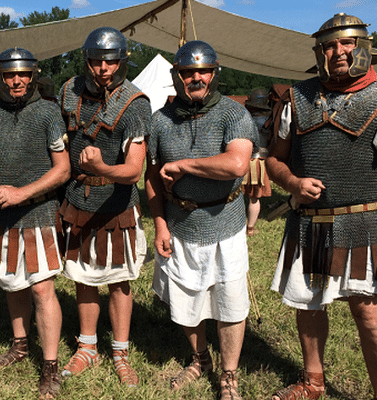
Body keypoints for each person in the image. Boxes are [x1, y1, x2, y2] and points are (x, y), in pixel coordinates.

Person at [267, 13, 377, 400]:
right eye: (329, 45)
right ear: (319, 52)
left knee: (370, 317)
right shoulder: (296, 99)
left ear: (363, 47)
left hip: (368, 226)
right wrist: (293, 182)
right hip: (311, 223)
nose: (338, 52)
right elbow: (273, 160)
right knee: (309, 305)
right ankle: (312, 382)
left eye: (347, 43)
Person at [145, 40, 256, 400]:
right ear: (177, 76)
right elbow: (150, 178)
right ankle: (200, 359)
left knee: (230, 302)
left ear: (214, 74)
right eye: (188, 72)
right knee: (186, 299)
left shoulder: (232, 114)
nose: (196, 78)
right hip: (179, 224)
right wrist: (160, 223)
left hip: (225, 222)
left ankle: (229, 375)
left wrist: (182, 165)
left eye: (203, 71)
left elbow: (236, 165)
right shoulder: (160, 121)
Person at [0, 47, 69, 399]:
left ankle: (51, 364)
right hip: (1, 213)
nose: (17, 81)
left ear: (33, 76)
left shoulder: (47, 113)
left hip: (37, 214)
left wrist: (22, 193)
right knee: (12, 283)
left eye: (24, 74)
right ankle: (20, 343)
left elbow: (63, 169)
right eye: (11, 75)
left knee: (42, 289)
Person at [58, 26, 150, 387]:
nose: (103, 69)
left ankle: (121, 350)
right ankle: (87, 347)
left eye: (110, 62)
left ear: (121, 63)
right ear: (88, 62)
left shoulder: (135, 103)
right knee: (82, 277)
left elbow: (133, 170)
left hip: (116, 204)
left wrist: (100, 169)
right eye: (97, 61)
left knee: (118, 281)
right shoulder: (69, 91)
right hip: (77, 199)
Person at [242, 88, 272, 236]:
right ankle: (250, 228)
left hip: (243, 159)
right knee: (254, 198)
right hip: (256, 161)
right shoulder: (268, 120)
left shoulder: (244, 118)